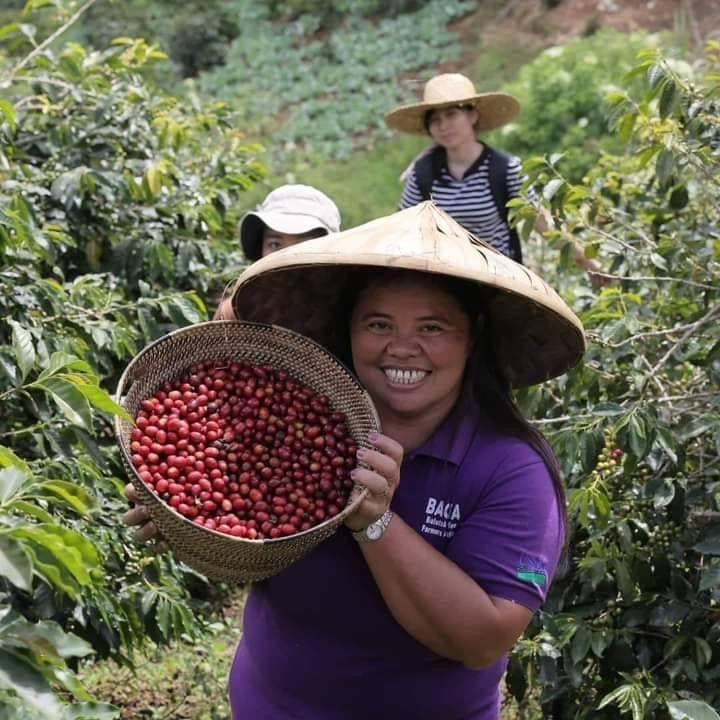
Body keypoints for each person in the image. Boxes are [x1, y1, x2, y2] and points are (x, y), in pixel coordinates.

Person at [124, 201, 586, 719]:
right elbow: (257, 548)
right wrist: (187, 527)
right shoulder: (294, 424)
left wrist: (375, 521)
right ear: (349, 331)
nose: (402, 347)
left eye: (432, 328)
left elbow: (483, 639)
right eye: (378, 324)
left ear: (471, 339)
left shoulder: (510, 469)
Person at [385, 72, 604, 280]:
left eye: (451, 114)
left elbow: (543, 225)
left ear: (472, 115)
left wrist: (587, 262)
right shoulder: (423, 172)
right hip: (444, 281)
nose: (444, 126)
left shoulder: (504, 169)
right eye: (435, 119)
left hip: (498, 279)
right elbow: (402, 229)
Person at [213, 183, 341, 320]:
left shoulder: (352, 309)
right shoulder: (236, 312)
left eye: (304, 245)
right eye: (275, 245)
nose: (287, 258)